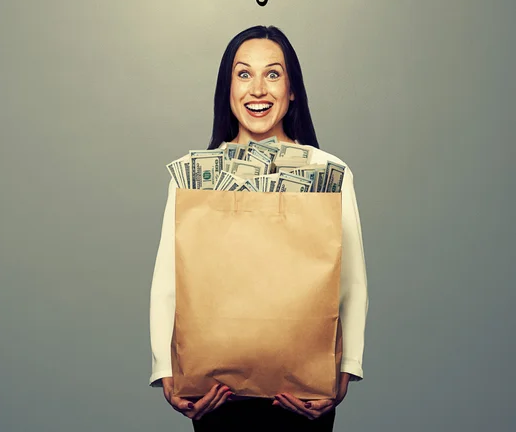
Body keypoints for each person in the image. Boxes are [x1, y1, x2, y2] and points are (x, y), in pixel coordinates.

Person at [149, 25, 369, 431]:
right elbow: (169, 279)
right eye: (243, 74)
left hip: (303, 396)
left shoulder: (329, 172)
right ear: (227, 88)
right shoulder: (194, 177)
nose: (258, 90)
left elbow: (351, 281)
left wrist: (345, 371)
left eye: (273, 74)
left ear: (292, 89)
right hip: (216, 393)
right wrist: (167, 370)